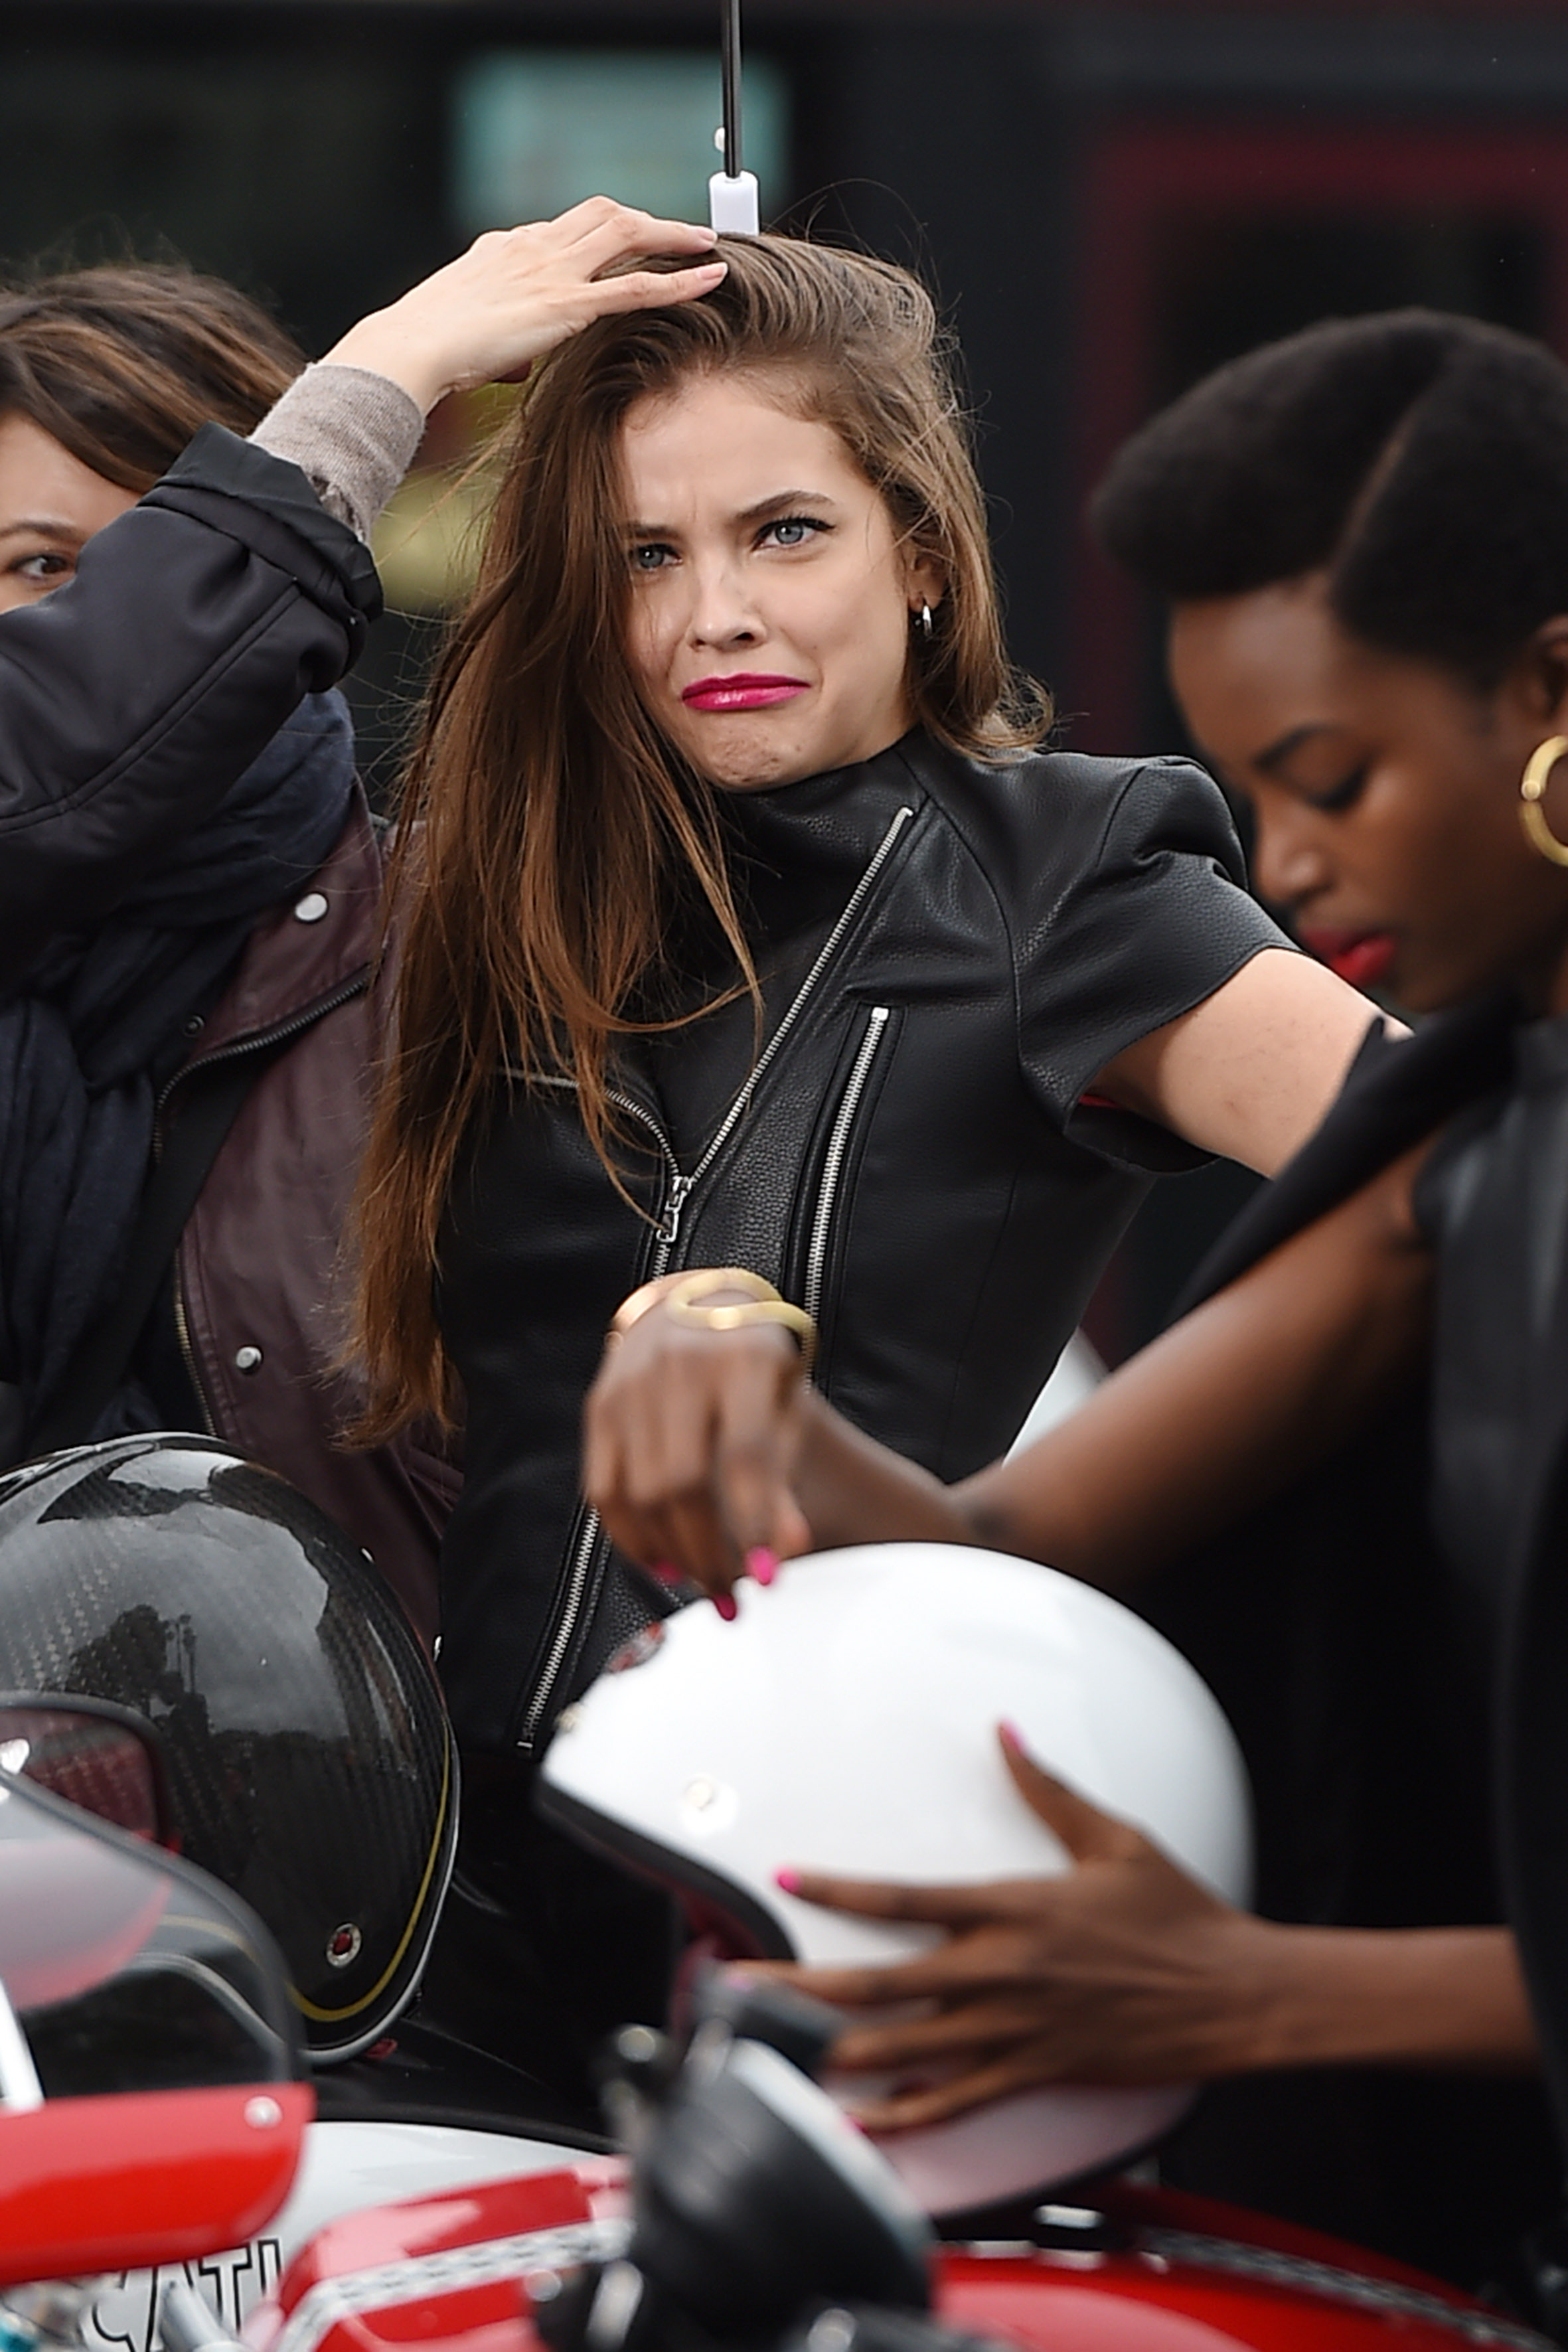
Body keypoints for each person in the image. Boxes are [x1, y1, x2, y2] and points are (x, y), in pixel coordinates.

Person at [582, 308, 1568, 2289]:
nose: (1280, 864)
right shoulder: (1461, 1160)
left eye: (1331, 777)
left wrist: (1251, 1992)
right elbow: (997, 1541)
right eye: (1251, 786)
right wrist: (744, 1374)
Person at [349, 230, 1381, 2108]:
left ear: (920, 551)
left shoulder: (1069, 882)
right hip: (460, 1902)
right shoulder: (517, 884)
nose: (711, 614)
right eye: (645, 556)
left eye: (783, 534)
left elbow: (1452, 1167)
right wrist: (391, 366)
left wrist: (1141, 1531)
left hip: (839, 1881)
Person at [0, 205, 725, 1644]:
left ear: (251, 602)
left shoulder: (470, 950)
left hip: (403, 1836)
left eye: (55, 577)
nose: (28, 652)